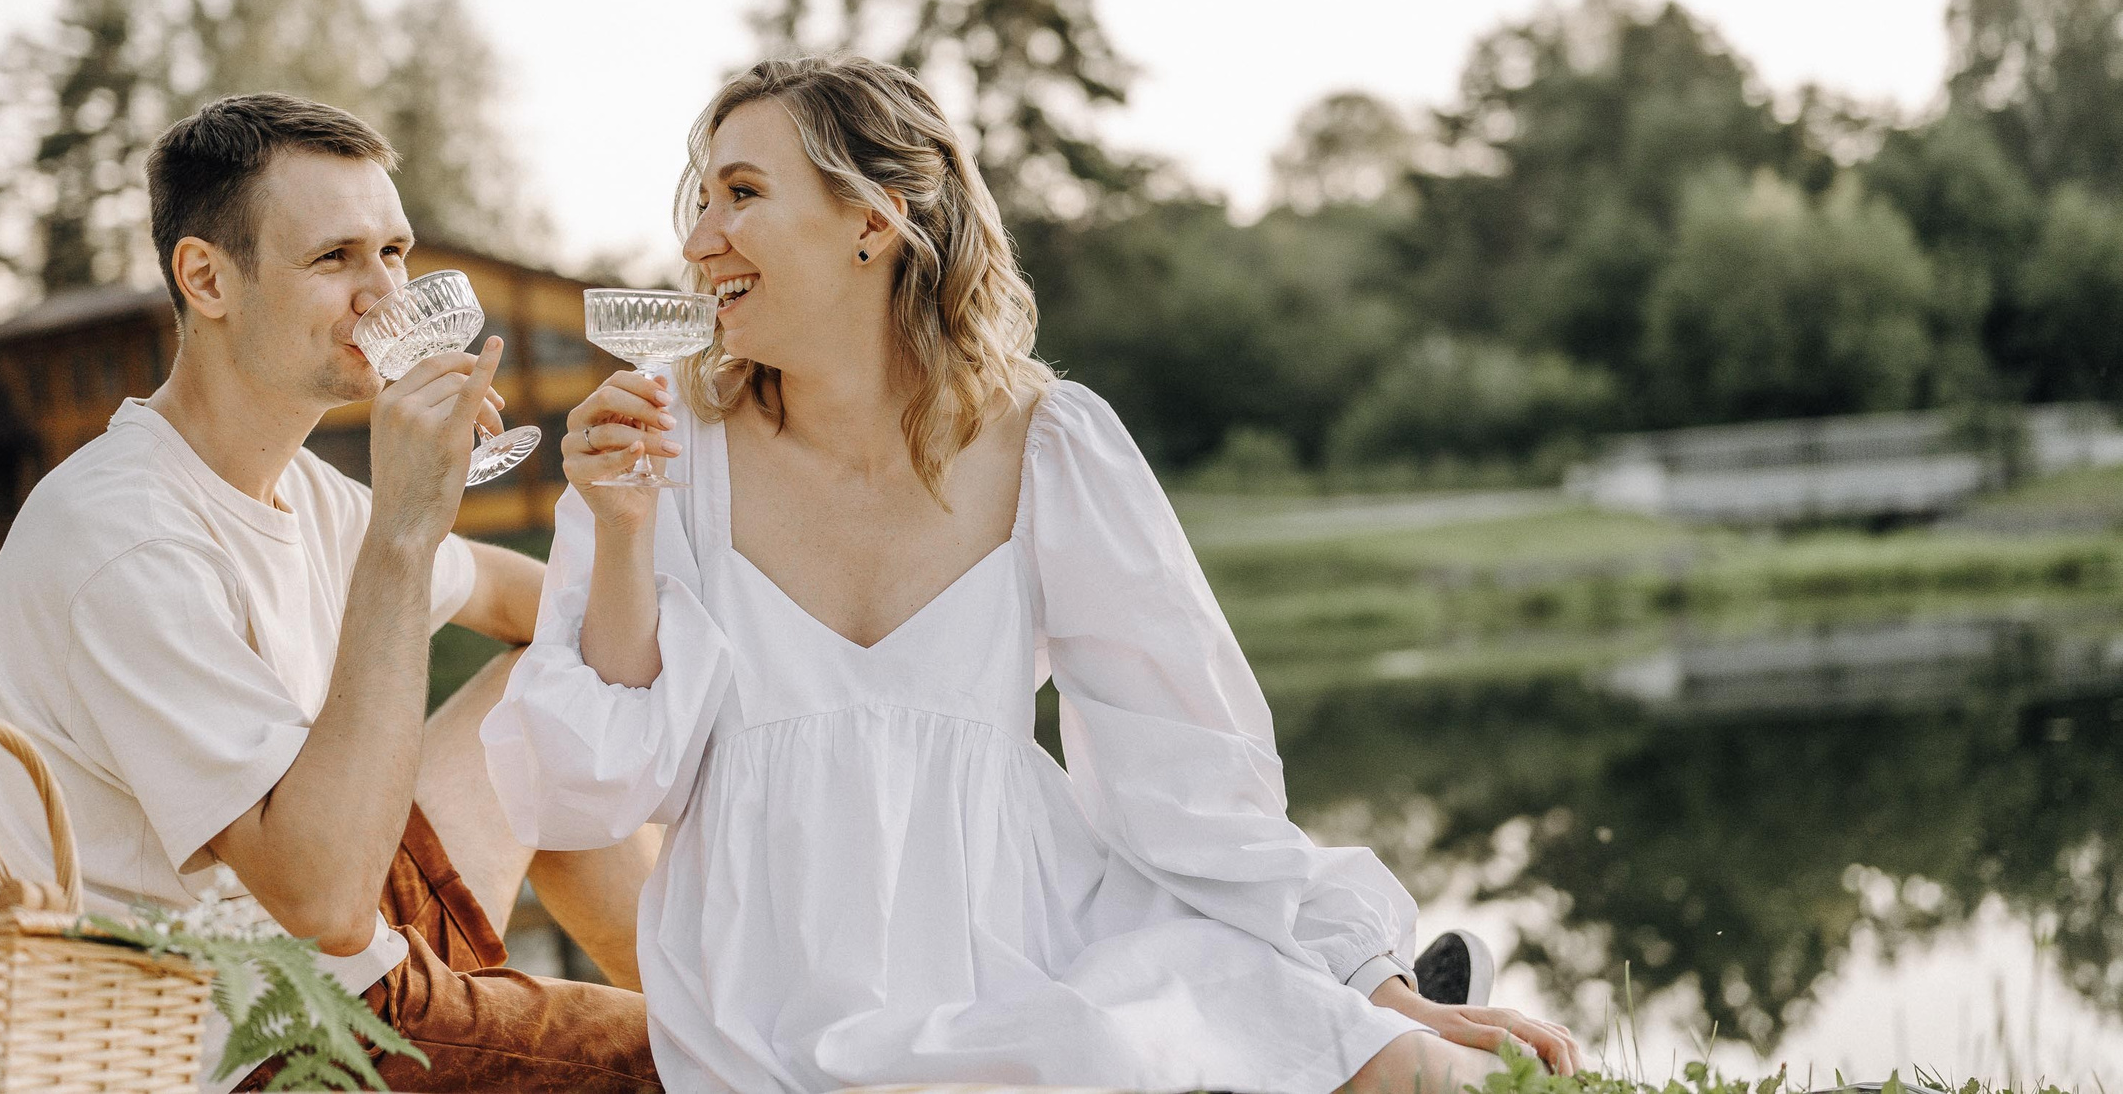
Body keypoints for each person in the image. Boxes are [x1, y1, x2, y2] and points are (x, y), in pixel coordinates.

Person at [481, 57, 1582, 1094]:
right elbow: (596, 782)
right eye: (700, 197)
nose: (699, 237)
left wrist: (1361, 977)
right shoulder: (666, 446)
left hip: (1037, 936)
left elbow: (1186, 765)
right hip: (766, 988)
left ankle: (1384, 998)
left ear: (871, 220)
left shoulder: (1051, 439)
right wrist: (621, 527)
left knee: (1400, 1067)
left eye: (740, 192)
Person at [0, 93, 661, 1093]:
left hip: (345, 954)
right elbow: (323, 903)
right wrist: (405, 527)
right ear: (206, 277)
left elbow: (528, 604)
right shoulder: (123, 537)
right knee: (710, 1052)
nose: (385, 293)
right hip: (264, 1039)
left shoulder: (293, 487)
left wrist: (686, 623)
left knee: (540, 690)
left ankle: (705, 981)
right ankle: (715, 1025)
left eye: (394, 251)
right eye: (336, 258)